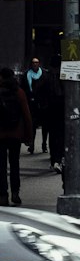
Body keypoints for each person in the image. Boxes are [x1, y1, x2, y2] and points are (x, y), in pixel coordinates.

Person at [0, 67, 33, 205]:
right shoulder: (19, 92)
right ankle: (15, 192)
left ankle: (2, 195)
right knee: (14, 164)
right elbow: (27, 116)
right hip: (16, 134)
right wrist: (29, 137)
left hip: (0, 135)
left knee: (1, 166)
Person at [24, 56, 43, 154]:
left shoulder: (43, 74)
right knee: (33, 125)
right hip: (31, 103)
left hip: (42, 103)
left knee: (45, 125)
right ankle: (32, 145)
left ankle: (44, 145)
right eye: (33, 62)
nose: (35, 64)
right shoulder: (26, 74)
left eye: (37, 62)